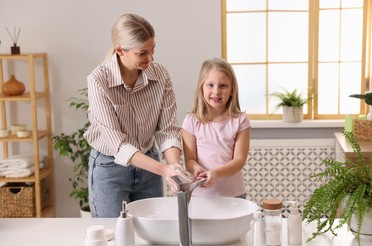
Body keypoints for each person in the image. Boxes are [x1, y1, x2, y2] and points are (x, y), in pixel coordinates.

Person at [84, 13, 187, 217]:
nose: (151, 58)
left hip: (150, 167)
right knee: (114, 236)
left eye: (153, 49)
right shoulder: (98, 80)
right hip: (109, 169)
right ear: (120, 50)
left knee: (152, 238)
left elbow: (167, 130)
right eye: (143, 53)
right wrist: (163, 170)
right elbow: (118, 145)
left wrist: (173, 166)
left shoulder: (161, 75)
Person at [182, 58, 250, 198]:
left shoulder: (240, 120)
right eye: (210, 85)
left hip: (234, 195)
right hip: (200, 196)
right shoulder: (191, 121)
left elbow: (239, 160)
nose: (216, 91)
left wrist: (215, 174)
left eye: (223, 85)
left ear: (232, 90)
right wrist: (196, 168)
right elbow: (190, 159)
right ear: (201, 87)